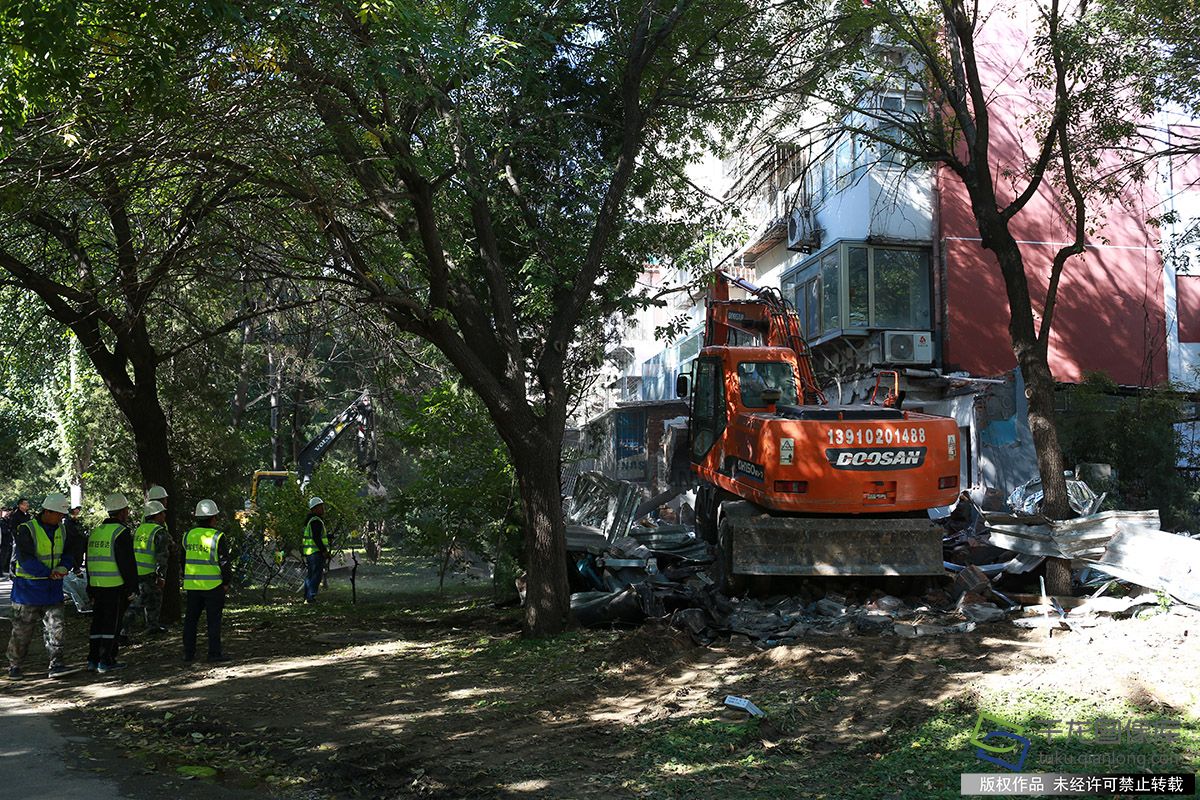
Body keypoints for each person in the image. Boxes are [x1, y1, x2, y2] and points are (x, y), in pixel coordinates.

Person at [6, 492, 77, 679]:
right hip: (27, 591)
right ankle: (14, 666)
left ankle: (57, 664)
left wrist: (64, 566)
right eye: (59, 514)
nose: (62, 518)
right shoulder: (26, 529)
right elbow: (25, 558)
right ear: (47, 512)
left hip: (52, 590)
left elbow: (69, 552)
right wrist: (49, 572)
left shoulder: (63, 529)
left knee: (57, 629)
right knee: (22, 633)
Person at [86, 493, 138, 674]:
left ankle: (92, 659)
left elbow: (90, 561)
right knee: (112, 624)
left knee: (97, 623)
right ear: (123, 512)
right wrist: (132, 587)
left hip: (96, 585)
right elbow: (127, 563)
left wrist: (90, 588)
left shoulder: (96, 532)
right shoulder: (121, 533)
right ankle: (106, 660)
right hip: (115, 586)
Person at [182, 499, 231, 663]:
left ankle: (188, 654)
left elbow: (183, 559)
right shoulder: (217, 536)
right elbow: (224, 561)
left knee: (191, 621)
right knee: (213, 621)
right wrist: (226, 582)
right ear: (213, 518)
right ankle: (214, 654)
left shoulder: (188, 535)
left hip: (193, 585)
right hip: (213, 585)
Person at [124, 501, 169, 635]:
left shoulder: (140, 529)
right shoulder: (159, 532)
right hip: (150, 574)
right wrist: (161, 576)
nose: (164, 516)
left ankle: (152, 626)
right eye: (162, 513)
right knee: (141, 603)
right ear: (156, 515)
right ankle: (123, 631)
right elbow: (162, 556)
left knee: (148, 601)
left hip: (136, 572)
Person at [302, 496, 330, 604]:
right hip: (316, 553)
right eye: (320, 507)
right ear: (314, 509)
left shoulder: (312, 520)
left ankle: (307, 596)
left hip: (310, 552)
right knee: (316, 576)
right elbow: (316, 538)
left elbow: (317, 535)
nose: (323, 509)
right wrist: (324, 551)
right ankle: (310, 597)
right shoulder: (315, 521)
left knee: (310, 576)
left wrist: (329, 536)